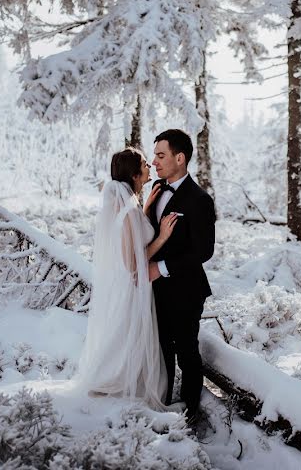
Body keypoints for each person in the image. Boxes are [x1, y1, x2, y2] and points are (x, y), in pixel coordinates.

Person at [75, 147, 180, 410]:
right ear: (134, 174)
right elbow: (133, 262)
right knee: (128, 341)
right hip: (133, 289)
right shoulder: (128, 213)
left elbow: (133, 236)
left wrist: (144, 210)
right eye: (145, 164)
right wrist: (162, 238)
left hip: (130, 288)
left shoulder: (129, 208)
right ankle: (114, 385)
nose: (150, 166)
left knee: (127, 340)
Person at [146, 129, 215, 425]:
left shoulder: (199, 199)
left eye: (160, 156)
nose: (154, 162)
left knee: (186, 351)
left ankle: (190, 413)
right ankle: (162, 407)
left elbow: (203, 251)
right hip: (154, 291)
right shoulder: (156, 189)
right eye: (154, 156)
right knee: (160, 349)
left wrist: (159, 268)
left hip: (186, 290)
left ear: (180, 157)